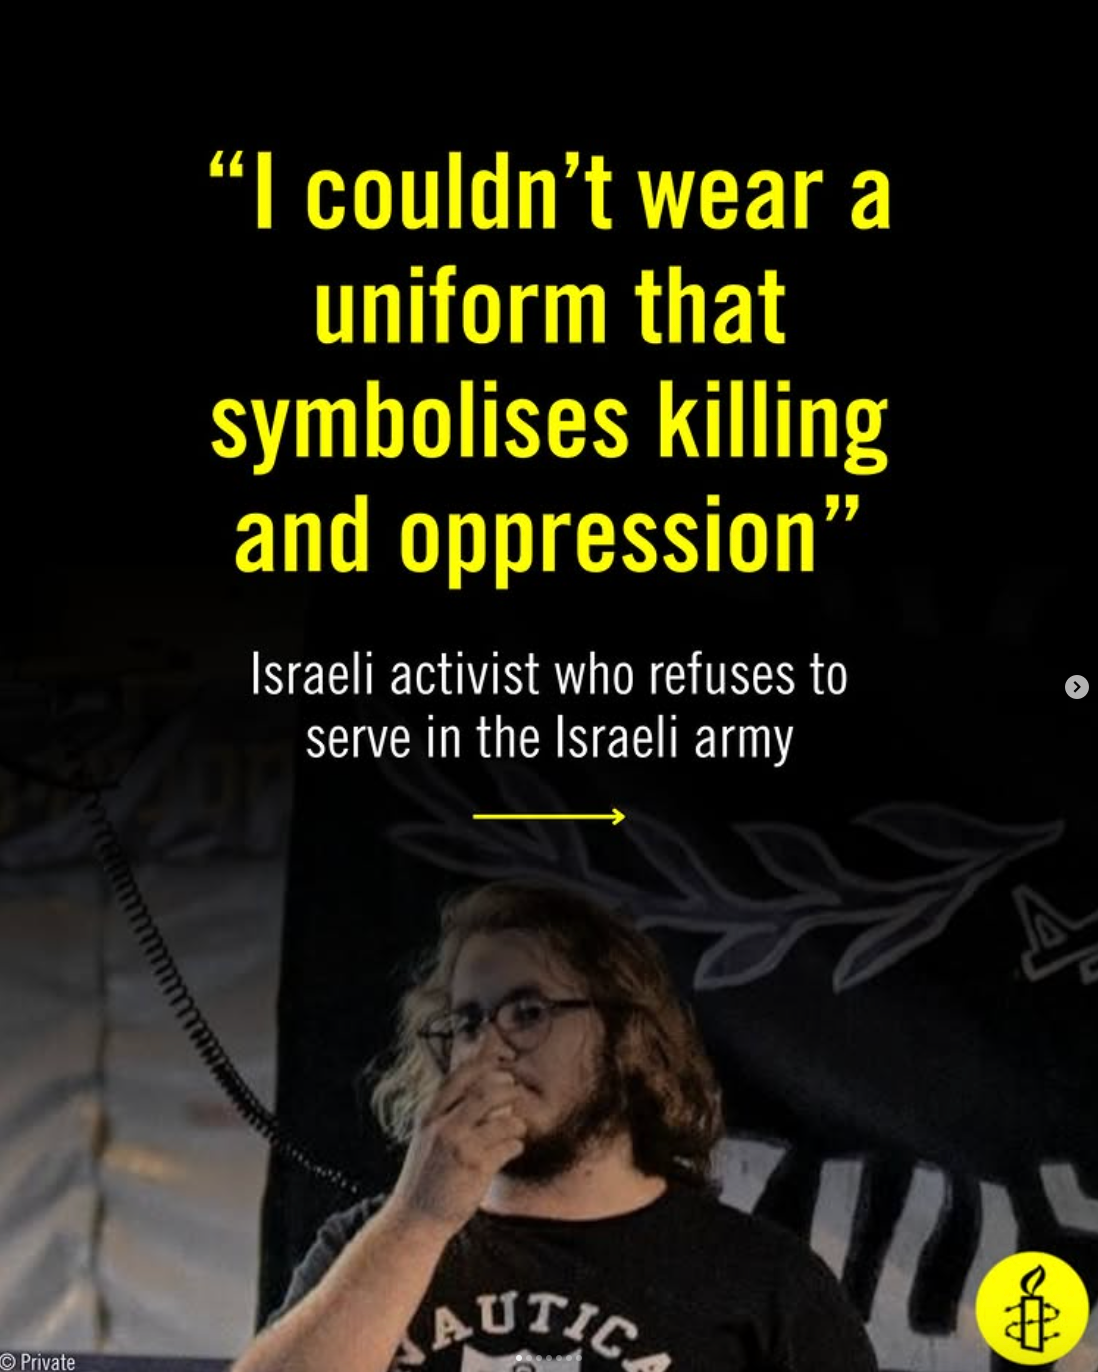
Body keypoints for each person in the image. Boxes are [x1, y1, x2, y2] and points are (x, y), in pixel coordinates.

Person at [233, 879, 878, 1371]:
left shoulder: (762, 1280)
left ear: (626, 1037)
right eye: (467, 1022)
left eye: (529, 1012)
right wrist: (419, 1218)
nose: (490, 1050)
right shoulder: (372, 1241)